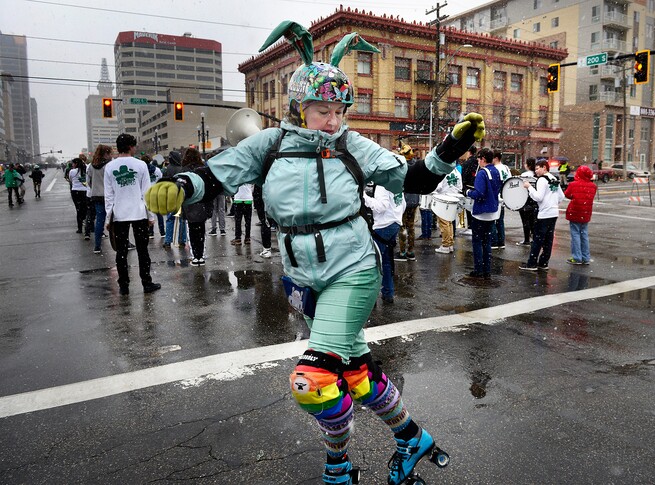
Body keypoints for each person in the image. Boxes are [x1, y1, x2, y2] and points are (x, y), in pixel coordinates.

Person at [144, 22, 483, 484]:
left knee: (313, 381)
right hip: (303, 278)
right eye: (321, 109)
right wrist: (181, 183)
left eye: (339, 109)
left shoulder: (351, 145)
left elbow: (415, 179)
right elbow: (218, 173)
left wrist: (450, 148)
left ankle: (338, 470)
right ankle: (411, 438)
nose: (332, 119)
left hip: (353, 270)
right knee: (357, 373)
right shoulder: (272, 144)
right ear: (298, 109)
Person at [104, 133, 160, 295]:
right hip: (139, 213)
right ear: (130, 146)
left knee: (121, 252)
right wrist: (151, 216)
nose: (135, 148)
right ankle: (146, 282)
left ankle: (124, 285)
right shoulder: (141, 165)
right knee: (143, 251)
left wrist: (109, 218)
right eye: (134, 146)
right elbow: (146, 193)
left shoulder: (110, 167)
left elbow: (109, 196)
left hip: (119, 213)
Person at [520, 160, 565, 271]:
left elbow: (538, 197)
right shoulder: (554, 179)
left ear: (544, 168)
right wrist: (552, 202)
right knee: (548, 240)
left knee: (538, 239)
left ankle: (532, 264)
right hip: (553, 213)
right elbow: (561, 196)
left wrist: (529, 187)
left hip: (544, 214)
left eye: (537, 168)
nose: (536, 171)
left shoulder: (541, 180)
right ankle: (543, 263)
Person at [364, 183, 404, 302]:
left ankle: (371, 298)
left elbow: (381, 206)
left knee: (373, 263)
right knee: (386, 261)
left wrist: (364, 197)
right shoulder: (395, 182)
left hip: (383, 226)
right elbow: (403, 204)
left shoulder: (382, 186)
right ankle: (388, 293)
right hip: (394, 224)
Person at [466, 148, 500, 278]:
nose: (478, 161)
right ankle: (487, 270)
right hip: (492, 212)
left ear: (483, 159)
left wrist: (468, 193)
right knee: (487, 242)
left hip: (480, 212)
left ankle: (478, 269)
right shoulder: (495, 171)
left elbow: (479, 193)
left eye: (479, 159)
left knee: (477, 242)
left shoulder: (482, 173)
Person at [180, 148, 210, 265]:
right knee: (201, 230)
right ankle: (201, 255)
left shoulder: (184, 171)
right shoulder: (203, 170)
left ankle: (195, 255)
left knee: (192, 230)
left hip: (189, 203)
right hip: (202, 201)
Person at [564, 165, 597, 264]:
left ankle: (577, 257)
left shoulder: (573, 185)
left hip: (575, 212)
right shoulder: (593, 186)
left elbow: (567, 194)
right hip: (586, 212)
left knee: (575, 234)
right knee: (584, 235)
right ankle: (585, 257)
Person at [86, 145, 112, 254]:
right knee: (115, 220)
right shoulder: (109, 165)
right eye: (109, 153)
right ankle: (121, 242)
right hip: (108, 196)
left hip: (96, 195)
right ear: (105, 154)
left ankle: (97, 246)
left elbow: (88, 181)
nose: (111, 155)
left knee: (99, 221)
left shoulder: (92, 166)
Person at [396, 145, 418, 262]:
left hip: (404, 200)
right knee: (411, 226)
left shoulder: (401, 167)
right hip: (414, 200)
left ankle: (402, 252)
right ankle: (411, 251)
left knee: (402, 226)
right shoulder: (417, 166)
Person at [433, 164, 463, 254]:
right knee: (449, 222)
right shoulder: (457, 172)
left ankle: (445, 245)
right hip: (453, 200)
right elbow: (460, 187)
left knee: (444, 223)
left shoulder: (444, 172)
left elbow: (438, 187)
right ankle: (450, 244)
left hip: (444, 200)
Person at [162, 150, 187, 249]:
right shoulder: (182, 169)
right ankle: (182, 240)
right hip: (181, 196)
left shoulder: (166, 169)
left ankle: (168, 241)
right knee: (182, 220)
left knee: (170, 219)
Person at [490, 150, 511, 249]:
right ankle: (501, 241)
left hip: (497, 196)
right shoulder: (506, 168)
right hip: (504, 195)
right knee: (500, 220)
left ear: (496, 158)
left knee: (493, 219)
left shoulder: (495, 169)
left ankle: (494, 241)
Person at [516, 157, 538, 246]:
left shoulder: (524, 175)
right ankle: (534, 238)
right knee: (533, 221)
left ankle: (526, 239)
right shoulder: (536, 175)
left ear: (528, 165)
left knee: (525, 221)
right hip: (534, 200)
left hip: (524, 200)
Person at [460, 145, 479, 236]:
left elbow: (463, 176)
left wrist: (463, 187)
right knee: (475, 208)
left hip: (468, 187)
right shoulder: (478, 162)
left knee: (468, 207)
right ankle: (475, 226)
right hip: (477, 187)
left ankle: (470, 226)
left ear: (469, 152)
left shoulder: (467, 163)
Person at [68, 157, 89, 236]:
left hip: (75, 191)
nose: (72, 165)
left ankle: (79, 228)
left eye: (73, 163)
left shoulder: (72, 171)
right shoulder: (86, 169)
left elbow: (70, 180)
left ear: (76, 164)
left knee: (78, 209)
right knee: (86, 209)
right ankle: (88, 226)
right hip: (85, 191)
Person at [253, 184, 272, 258]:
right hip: (269, 198)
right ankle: (267, 248)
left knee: (265, 224)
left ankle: (267, 249)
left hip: (263, 201)